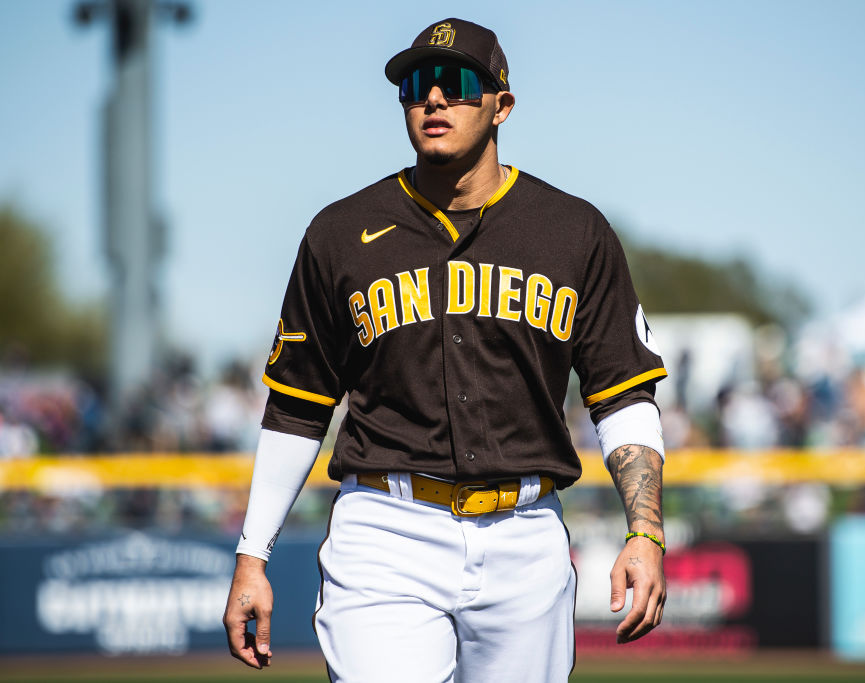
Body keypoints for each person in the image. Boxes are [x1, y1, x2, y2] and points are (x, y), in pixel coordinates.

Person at [222, 18, 668, 682]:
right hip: (385, 528)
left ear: (501, 105)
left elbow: (623, 394)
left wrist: (646, 531)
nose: (433, 99)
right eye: (415, 85)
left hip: (525, 533)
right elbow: (297, 405)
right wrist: (252, 555)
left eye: (457, 83)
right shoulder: (340, 233)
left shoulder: (573, 231)